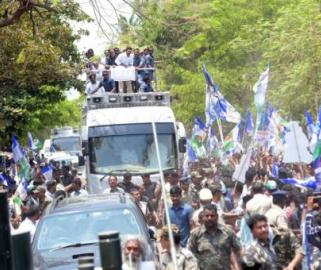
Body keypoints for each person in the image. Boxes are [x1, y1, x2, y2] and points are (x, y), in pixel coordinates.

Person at [188, 204, 241, 270]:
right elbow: (191, 255)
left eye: (212, 216)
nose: (209, 218)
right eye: (207, 216)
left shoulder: (227, 232)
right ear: (203, 217)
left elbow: (238, 250)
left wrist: (236, 266)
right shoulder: (196, 234)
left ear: (217, 216)